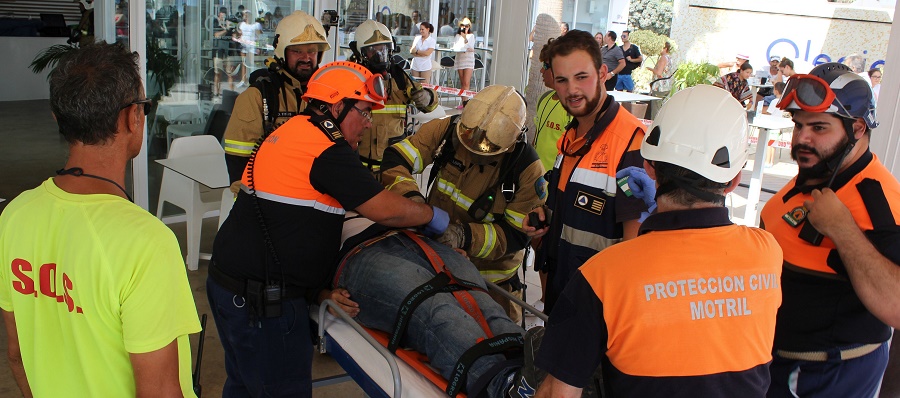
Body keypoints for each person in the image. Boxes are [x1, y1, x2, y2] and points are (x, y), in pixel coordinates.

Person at [208, 61, 449, 397]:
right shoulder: (325, 148)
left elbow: (288, 226)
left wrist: (317, 292)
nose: (367, 124)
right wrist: (432, 215)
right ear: (337, 106)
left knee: (245, 387)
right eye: (364, 112)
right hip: (263, 305)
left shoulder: (293, 130)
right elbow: (383, 209)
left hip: (232, 289)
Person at [535, 84, 784, 398]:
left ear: (649, 166)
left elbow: (558, 393)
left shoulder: (603, 276)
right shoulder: (768, 253)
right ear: (734, 181)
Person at [0, 42, 201, 397]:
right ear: (131, 118)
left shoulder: (15, 215)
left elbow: (17, 356)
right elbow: (160, 391)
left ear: (58, 118)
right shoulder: (146, 243)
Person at [761, 62, 900, 398]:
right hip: (774, 362)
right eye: (798, 126)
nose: (802, 139)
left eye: (819, 128)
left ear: (856, 129)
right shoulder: (818, 169)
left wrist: (842, 229)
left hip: (823, 375)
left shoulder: (881, 203)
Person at [381, 85, 547, 323]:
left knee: (501, 348)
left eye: (488, 149)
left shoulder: (527, 170)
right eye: (468, 139)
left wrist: (463, 236)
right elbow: (396, 159)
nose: (474, 151)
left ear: (514, 140)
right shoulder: (449, 130)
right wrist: (414, 204)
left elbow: (516, 235)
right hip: (439, 266)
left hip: (493, 285)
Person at [529, 30, 649, 314]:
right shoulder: (571, 138)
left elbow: (636, 249)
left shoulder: (632, 142)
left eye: (581, 77)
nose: (571, 90)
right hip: (561, 296)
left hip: (598, 311)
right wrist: (542, 223)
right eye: (562, 80)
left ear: (603, 73)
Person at [223, 11, 329, 187]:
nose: (306, 58)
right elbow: (238, 167)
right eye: (297, 51)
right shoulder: (257, 97)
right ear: (282, 53)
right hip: (271, 198)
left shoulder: (329, 95)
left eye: (312, 51)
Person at [348, 19, 438, 173]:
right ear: (360, 53)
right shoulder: (349, 78)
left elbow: (429, 103)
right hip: (358, 168)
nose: (380, 56)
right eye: (373, 51)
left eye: (383, 49)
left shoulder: (399, 78)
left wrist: (427, 97)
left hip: (392, 167)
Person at [453, 18, 476, 103]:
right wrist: (465, 47)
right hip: (460, 59)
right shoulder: (457, 36)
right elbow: (456, 46)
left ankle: (466, 102)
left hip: (468, 60)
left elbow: (471, 47)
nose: (464, 27)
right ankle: (463, 101)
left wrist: (465, 38)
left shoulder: (471, 36)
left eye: (466, 26)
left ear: (469, 27)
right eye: (463, 26)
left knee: (466, 82)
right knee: (462, 82)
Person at [237, 9, 263, 86]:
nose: (245, 16)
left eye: (246, 14)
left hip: (253, 46)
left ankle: (254, 79)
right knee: (244, 63)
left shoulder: (256, 25)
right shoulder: (242, 24)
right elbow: (240, 34)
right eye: (244, 15)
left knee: (253, 63)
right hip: (244, 45)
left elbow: (259, 36)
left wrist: (259, 47)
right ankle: (243, 80)